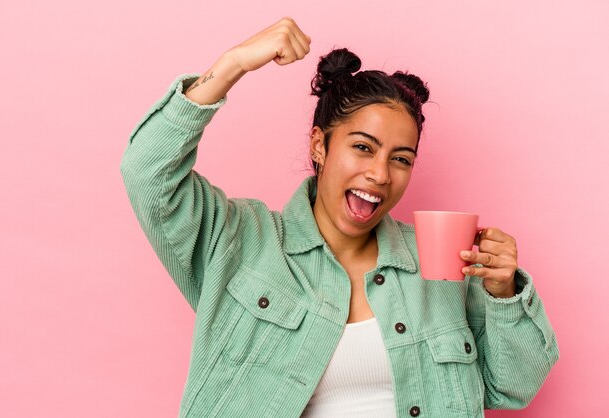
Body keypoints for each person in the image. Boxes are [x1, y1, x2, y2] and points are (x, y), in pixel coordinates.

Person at [120, 17, 558, 418]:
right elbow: (147, 172)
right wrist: (232, 64)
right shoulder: (238, 241)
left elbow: (511, 387)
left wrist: (503, 294)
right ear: (319, 145)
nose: (380, 174)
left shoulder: (438, 263)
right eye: (363, 147)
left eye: (401, 159)